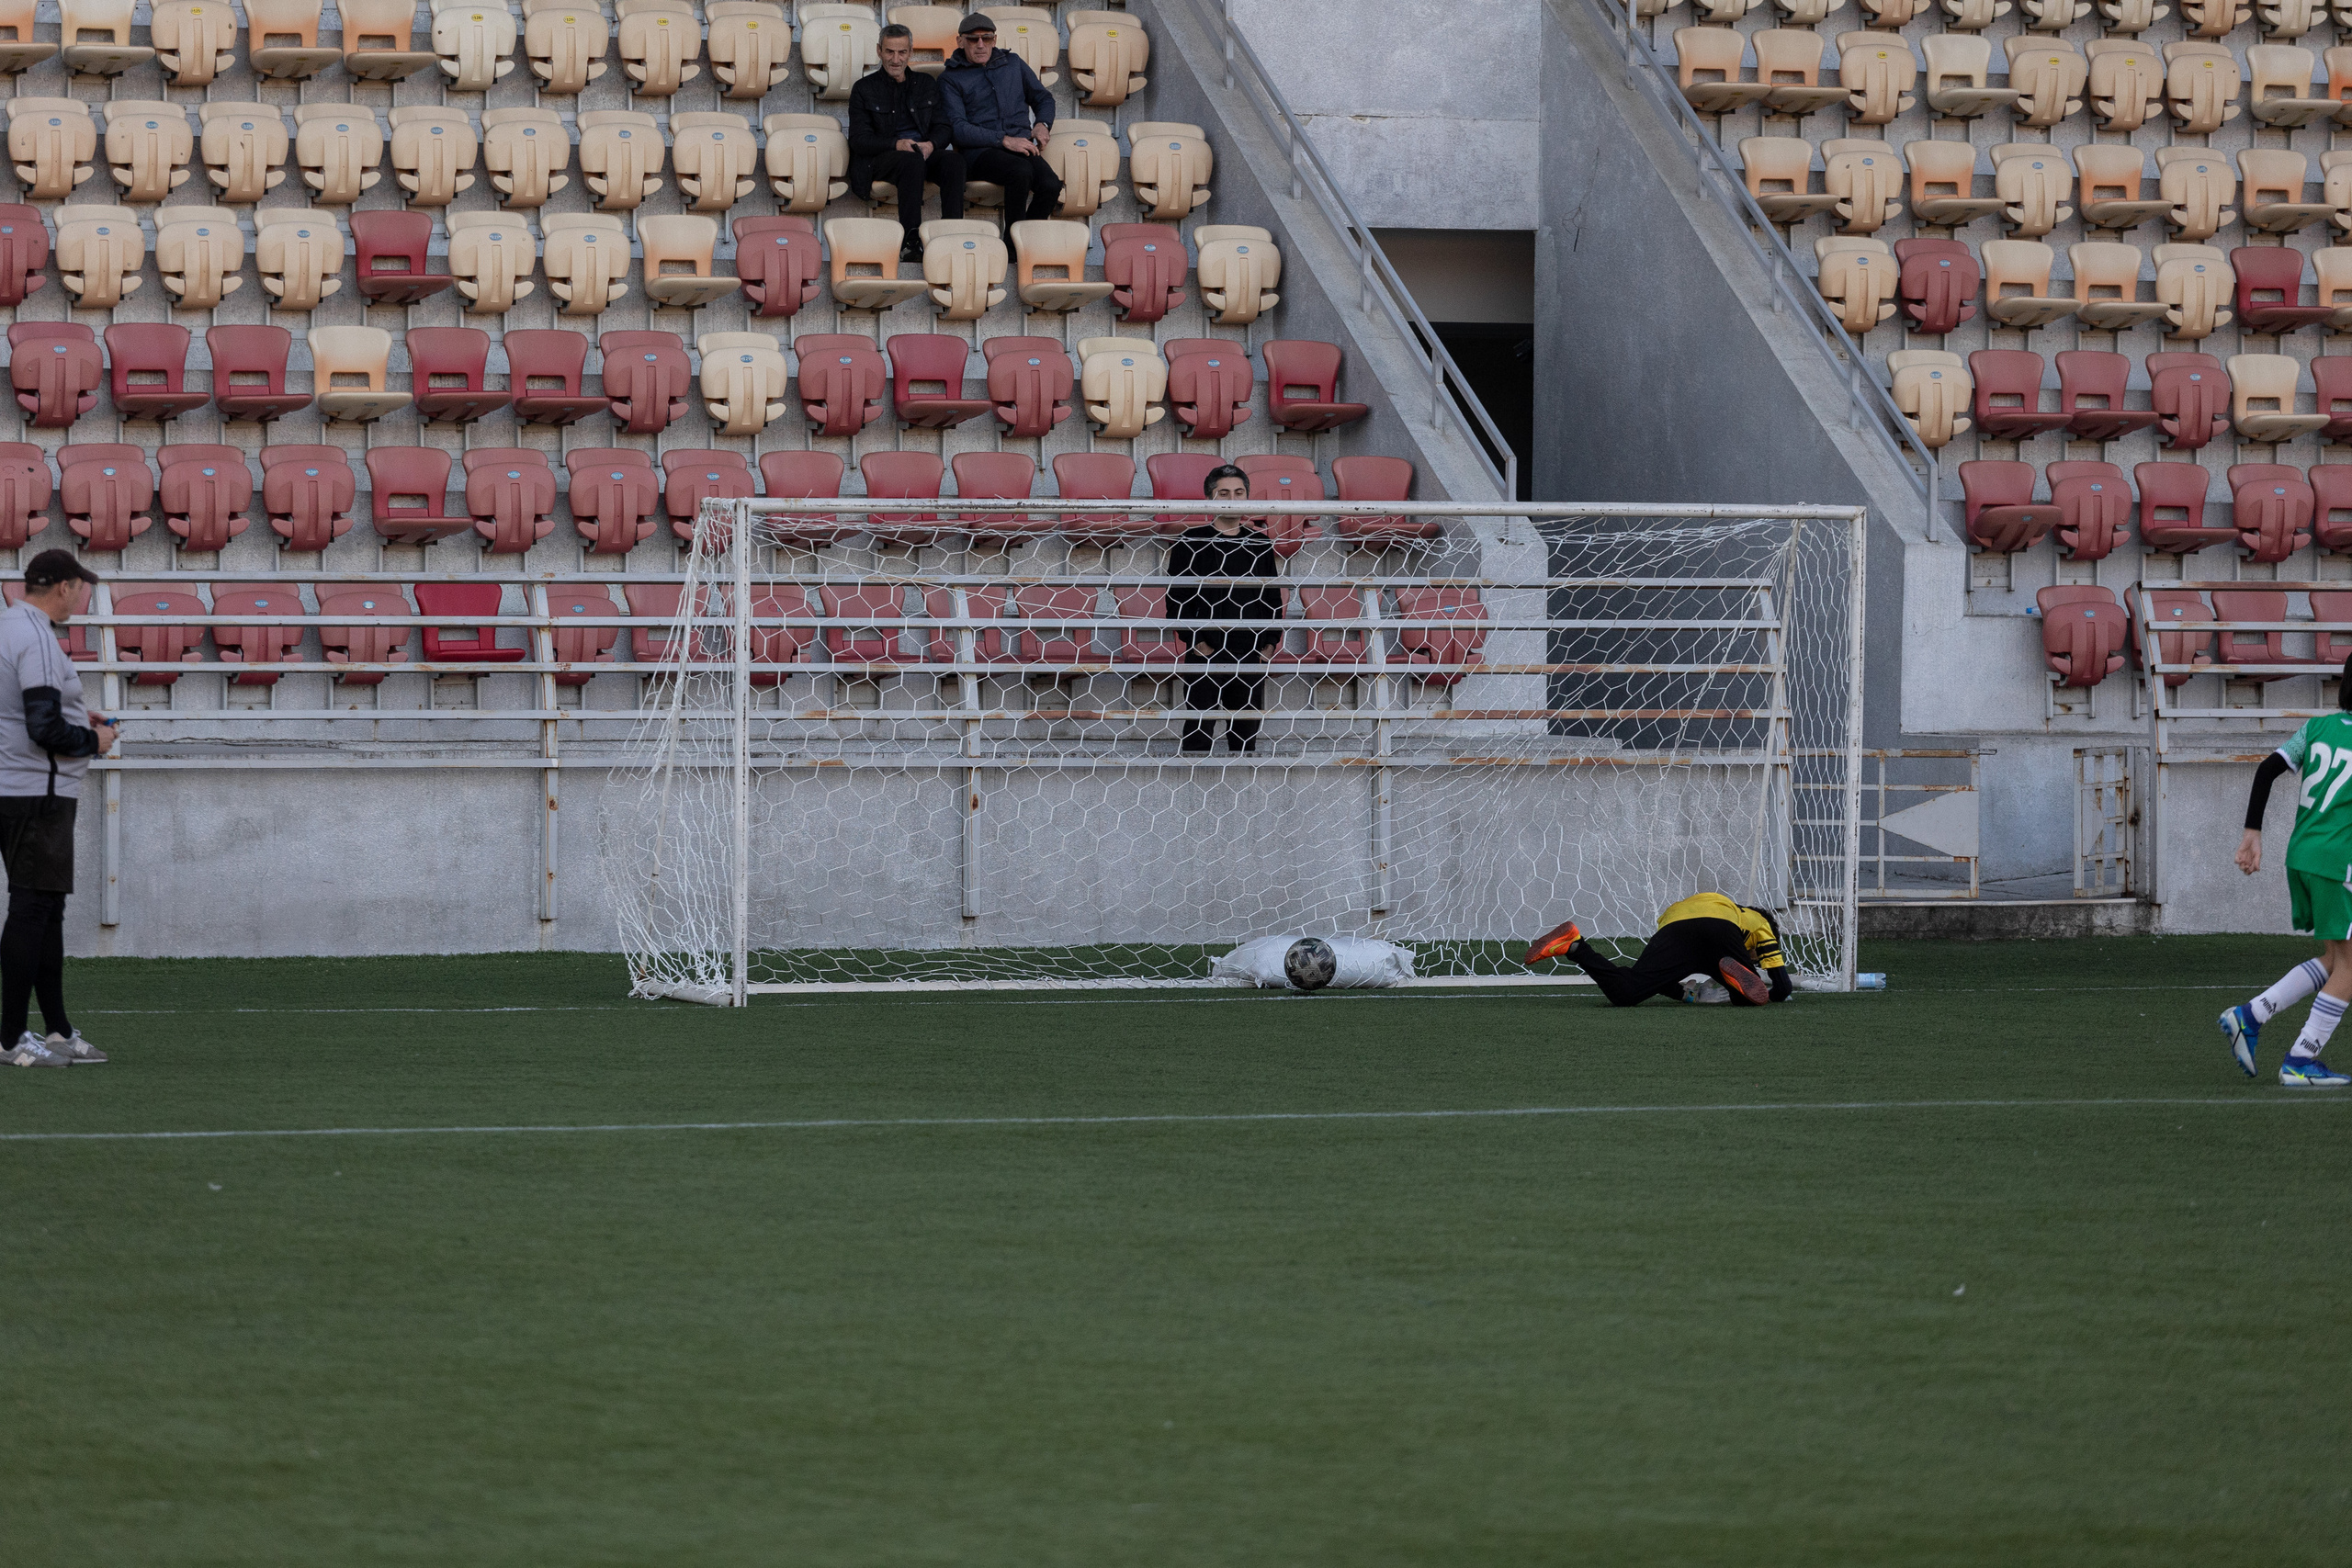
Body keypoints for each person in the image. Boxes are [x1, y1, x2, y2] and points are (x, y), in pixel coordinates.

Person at [0, 550, 114, 1068]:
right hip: (38, 792)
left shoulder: (9, 626)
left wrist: (76, 716)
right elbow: (43, 728)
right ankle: (10, 1038)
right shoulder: (37, 635)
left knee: (45, 910)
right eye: (80, 589)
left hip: (19, 787)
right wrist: (93, 740)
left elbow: (24, 709)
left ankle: (58, 1030)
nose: (81, 598)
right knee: (33, 909)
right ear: (65, 587)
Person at [2219, 651, 2352, 1087]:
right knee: (2351, 968)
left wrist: (2252, 832)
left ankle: (2251, 1015)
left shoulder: (2317, 728)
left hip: (2303, 856)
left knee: (2336, 959)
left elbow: (2266, 770)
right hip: (2338, 862)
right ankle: (2301, 1058)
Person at [1167, 465, 1281, 756]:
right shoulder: (1191, 541)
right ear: (1210, 498)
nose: (1232, 499)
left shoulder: (1259, 542)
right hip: (1206, 650)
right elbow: (1176, 599)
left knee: (1245, 735)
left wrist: (1269, 644)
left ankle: (1242, 781)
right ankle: (1193, 780)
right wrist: (1196, 642)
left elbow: (1271, 597)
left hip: (1249, 650)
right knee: (1198, 730)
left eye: (1239, 492)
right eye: (1224, 493)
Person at [1523, 893, 1790, 1007]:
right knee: (1747, 999)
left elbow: (1661, 982)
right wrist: (1773, 995)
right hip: (1721, 927)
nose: (1755, 961)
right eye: (1755, 959)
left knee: (1627, 993)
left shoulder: (1721, 908)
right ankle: (1736, 987)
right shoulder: (1760, 923)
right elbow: (1783, 987)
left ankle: (1574, 946)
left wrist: (1687, 995)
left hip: (1673, 923)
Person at [938, 12, 1063, 249]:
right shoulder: (950, 78)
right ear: (960, 41)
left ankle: (1021, 241)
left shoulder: (1013, 63)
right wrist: (1003, 140)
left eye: (986, 38)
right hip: (978, 153)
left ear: (994, 40)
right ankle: (1012, 248)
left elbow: (1043, 98)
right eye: (973, 39)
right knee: (1020, 171)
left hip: (1019, 146)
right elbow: (958, 129)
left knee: (1051, 185)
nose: (981, 44)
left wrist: (1042, 124)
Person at [847, 22, 967, 263]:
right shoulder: (863, 88)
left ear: (910, 52)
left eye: (902, 52)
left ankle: (952, 233)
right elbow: (859, 140)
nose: (896, 59)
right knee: (911, 161)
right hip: (881, 158)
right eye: (889, 52)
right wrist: (896, 144)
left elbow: (943, 127)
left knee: (954, 162)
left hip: (921, 152)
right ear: (879, 51)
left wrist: (931, 144)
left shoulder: (926, 84)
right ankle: (911, 240)